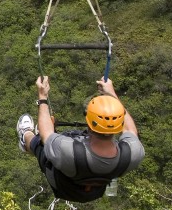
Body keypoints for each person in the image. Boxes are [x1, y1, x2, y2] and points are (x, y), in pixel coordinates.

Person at [16, 74, 144, 202]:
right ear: (119, 124)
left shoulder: (68, 150)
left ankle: (25, 136)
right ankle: (43, 132)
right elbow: (130, 130)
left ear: (89, 123)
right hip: (94, 191)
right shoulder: (132, 154)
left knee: (41, 144)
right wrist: (111, 96)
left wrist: (42, 97)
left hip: (62, 185)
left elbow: (46, 134)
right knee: (72, 138)